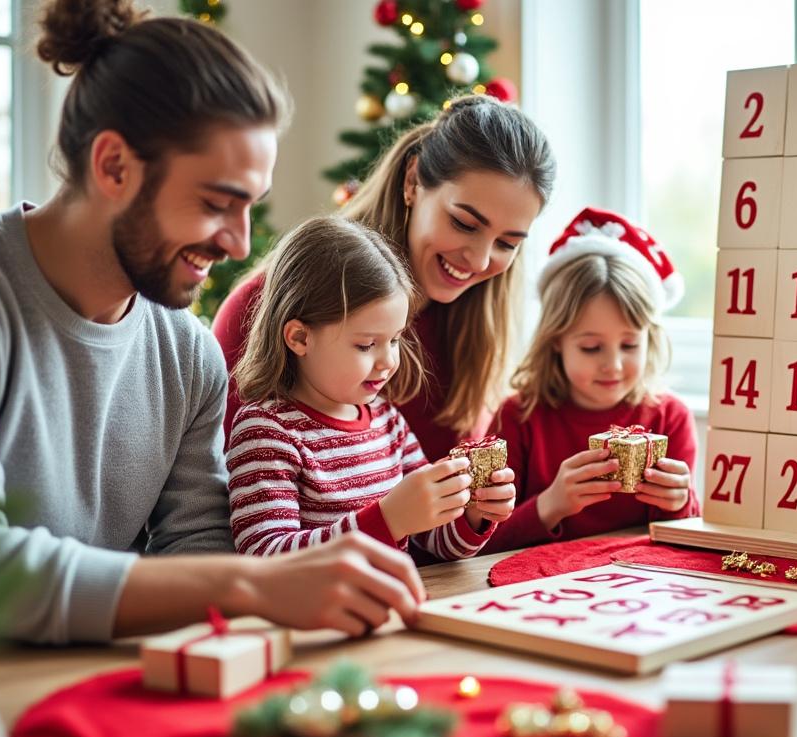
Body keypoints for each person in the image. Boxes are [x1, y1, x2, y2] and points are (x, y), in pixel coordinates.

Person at [0, 0, 423, 643]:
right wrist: (250, 584)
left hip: (89, 678)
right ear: (113, 166)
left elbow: (195, 549)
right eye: (218, 203)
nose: (241, 244)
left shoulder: (189, 354)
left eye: (250, 207)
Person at [214, 95, 555, 461]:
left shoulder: (472, 331)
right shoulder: (267, 306)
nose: (480, 259)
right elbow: (224, 488)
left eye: (507, 243)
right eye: (463, 224)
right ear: (412, 180)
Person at [226, 216, 515, 557]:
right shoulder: (266, 432)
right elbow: (265, 558)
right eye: (366, 345)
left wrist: (472, 515)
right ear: (300, 338)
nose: (388, 361)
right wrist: (387, 520)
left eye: (394, 340)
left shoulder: (387, 421)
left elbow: (434, 540)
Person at [483, 208, 700, 552]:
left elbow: (685, 542)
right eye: (591, 347)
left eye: (629, 344)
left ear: (650, 339)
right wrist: (550, 504)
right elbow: (483, 543)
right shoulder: (518, 418)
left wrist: (679, 502)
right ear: (556, 341)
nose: (612, 365)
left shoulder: (668, 419)